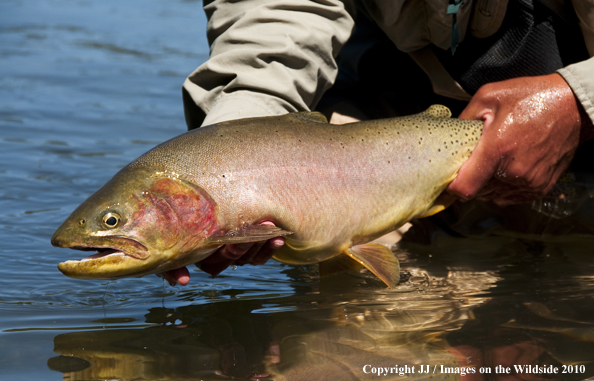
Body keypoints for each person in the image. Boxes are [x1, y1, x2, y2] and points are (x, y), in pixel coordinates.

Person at [162, 0, 594, 286]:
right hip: (386, 127)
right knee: (355, 327)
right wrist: (237, 149)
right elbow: (283, 8)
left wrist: (578, 100)